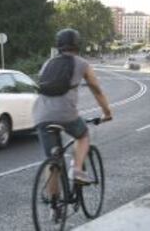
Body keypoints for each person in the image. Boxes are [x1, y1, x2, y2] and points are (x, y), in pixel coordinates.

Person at [36, 28, 112, 183]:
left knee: (53, 162)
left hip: (41, 114)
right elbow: (96, 90)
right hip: (65, 114)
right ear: (77, 45)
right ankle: (76, 170)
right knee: (83, 135)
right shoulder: (82, 63)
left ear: (58, 46)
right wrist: (107, 112)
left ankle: (54, 206)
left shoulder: (47, 63)